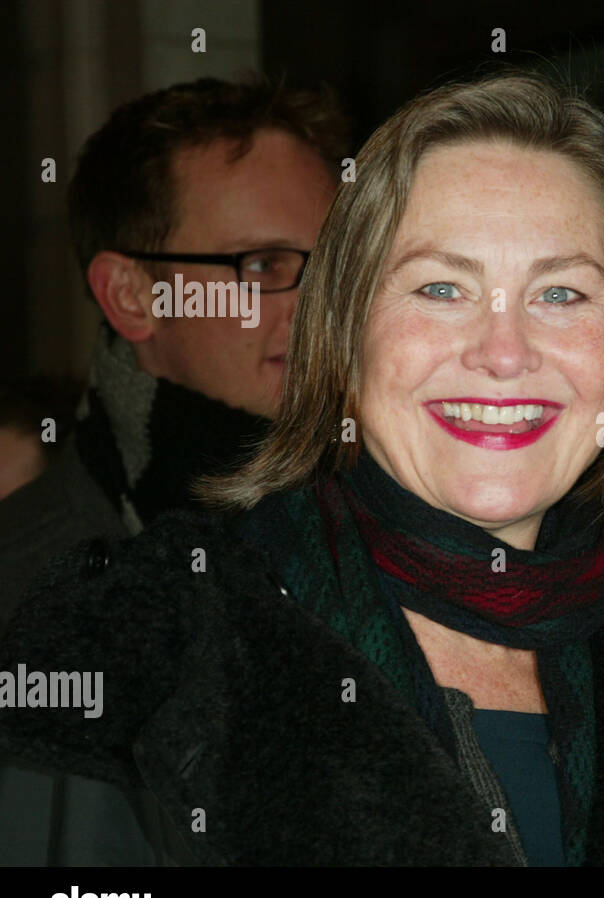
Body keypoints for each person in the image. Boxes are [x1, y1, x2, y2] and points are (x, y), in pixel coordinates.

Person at [0, 72, 604, 866]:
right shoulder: (151, 648)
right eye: (442, 287)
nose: (505, 352)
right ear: (343, 338)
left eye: (561, 293)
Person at [0, 75, 347, 629]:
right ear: (131, 297)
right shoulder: (27, 590)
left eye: (336, 266)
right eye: (262, 265)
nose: (319, 307)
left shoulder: (416, 526)